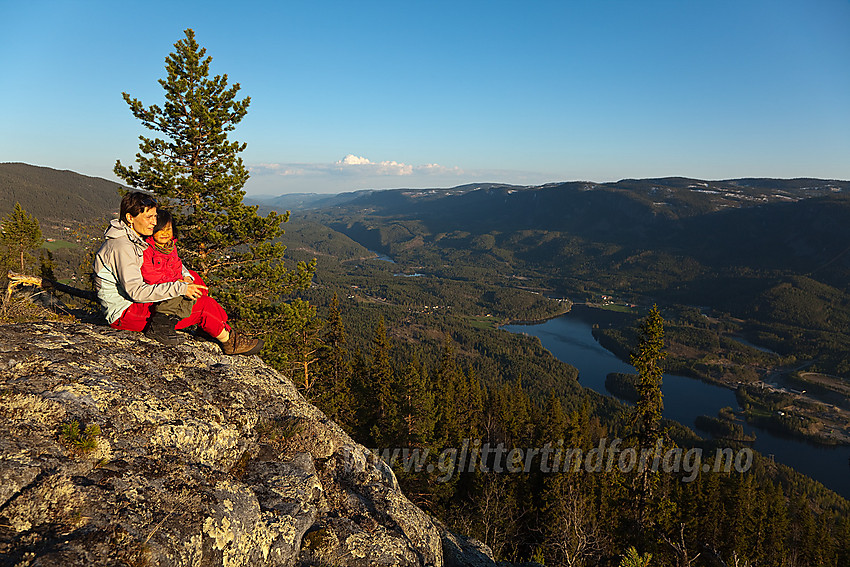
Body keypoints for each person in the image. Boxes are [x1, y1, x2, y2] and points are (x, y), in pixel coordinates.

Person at [93, 191, 262, 355]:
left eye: (155, 216)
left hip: (133, 304)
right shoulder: (122, 247)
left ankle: (211, 328)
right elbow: (135, 292)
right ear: (130, 218)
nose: (154, 222)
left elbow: (169, 262)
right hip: (125, 313)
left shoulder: (135, 236)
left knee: (195, 279)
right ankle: (229, 342)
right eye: (148, 217)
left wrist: (186, 276)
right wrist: (180, 288)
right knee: (203, 306)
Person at [140, 209, 202, 345]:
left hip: (174, 281)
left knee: (192, 295)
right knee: (175, 294)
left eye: (168, 229)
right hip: (159, 286)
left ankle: (170, 324)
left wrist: (185, 278)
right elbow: (150, 275)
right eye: (160, 229)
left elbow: (177, 264)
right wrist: (175, 283)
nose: (165, 233)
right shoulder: (147, 249)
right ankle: (158, 327)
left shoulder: (170, 247)